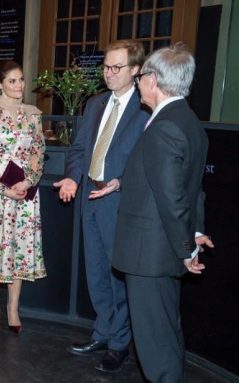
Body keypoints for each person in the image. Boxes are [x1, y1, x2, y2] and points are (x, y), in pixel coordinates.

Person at [112, 42, 214, 382]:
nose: (139, 83)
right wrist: (194, 235)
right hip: (163, 249)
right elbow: (192, 189)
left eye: (140, 76)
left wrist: (186, 248)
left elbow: (172, 198)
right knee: (166, 332)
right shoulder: (189, 123)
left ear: (152, 79)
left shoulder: (164, 127)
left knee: (155, 342)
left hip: (150, 253)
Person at [53, 40, 149, 373]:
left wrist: (120, 180)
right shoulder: (95, 104)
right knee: (95, 273)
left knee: (117, 274)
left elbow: (145, 161)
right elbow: (79, 150)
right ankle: (103, 331)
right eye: (106, 66)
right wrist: (72, 179)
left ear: (136, 70)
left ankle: (120, 343)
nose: (107, 73)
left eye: (115, 67)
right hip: (89, 199)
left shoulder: (146, 108)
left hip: (119, 201)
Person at [0, 60, 46, 335]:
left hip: (25, 194)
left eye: (21, 79)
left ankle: (13, 307)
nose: (19, 85)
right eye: (12, 81)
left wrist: (28, 180)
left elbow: (38, 153)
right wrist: (3, 188)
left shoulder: (34, 114)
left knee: (18, 250)